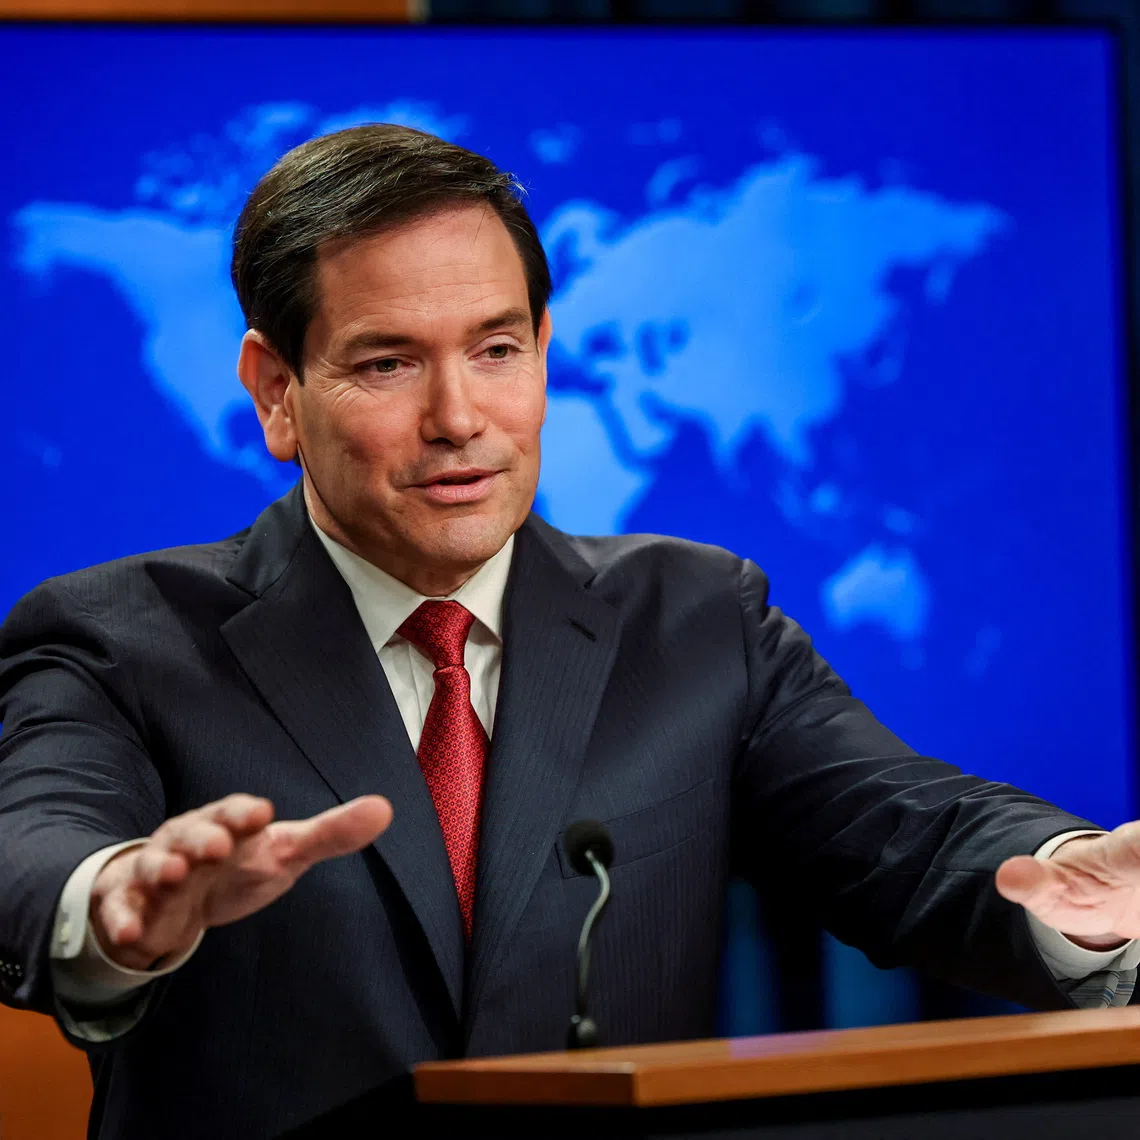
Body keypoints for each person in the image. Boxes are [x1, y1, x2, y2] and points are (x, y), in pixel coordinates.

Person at [1, 124, 1137, 1140]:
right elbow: (33, 835)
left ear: (543, 348)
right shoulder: (119, 638)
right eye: (388, 363)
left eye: (497, 350)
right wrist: (111, 902)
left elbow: (910, 828)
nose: (459, 418)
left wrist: (1076, 876)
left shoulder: (697, 617)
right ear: (276, 391)